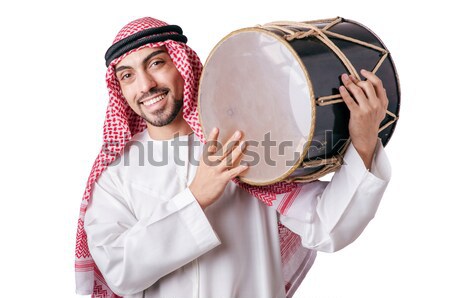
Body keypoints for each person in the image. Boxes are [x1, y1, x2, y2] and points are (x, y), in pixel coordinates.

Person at [75, 17, 391, 298]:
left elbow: (327, 227)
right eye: (128, 76)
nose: (145, 85)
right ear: (119, 89)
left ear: (180, 63)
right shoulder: (115, 176)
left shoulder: (245, 140)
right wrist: (196, 197)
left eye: (156, 63)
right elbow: (119, 273)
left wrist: (363, 141)